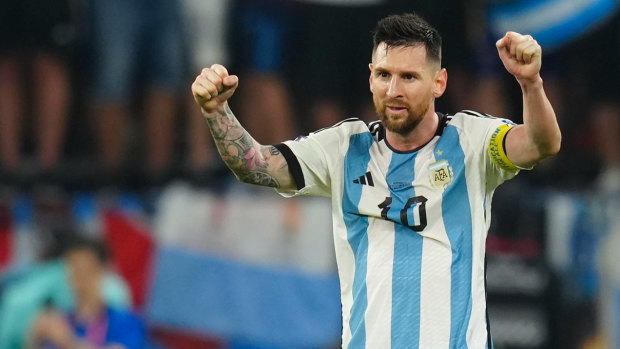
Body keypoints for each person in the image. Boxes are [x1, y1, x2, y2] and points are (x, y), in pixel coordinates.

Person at [191, 13, 561, 348]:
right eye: (384, 75)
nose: (393, 90)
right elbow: (255, 165)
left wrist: (530, 83)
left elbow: (541, 143)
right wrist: (216, 111)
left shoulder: (472, 141)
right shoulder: (343, 148)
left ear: (439, 82)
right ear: (371, 76)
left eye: (409, 77)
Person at [27, 236, 144, 349]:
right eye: (73, 269)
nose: (78, 278)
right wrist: (34, 339)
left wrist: (66, 341)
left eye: (84, 270)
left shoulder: (124, 321)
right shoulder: (61, 321)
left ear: (102, 270)